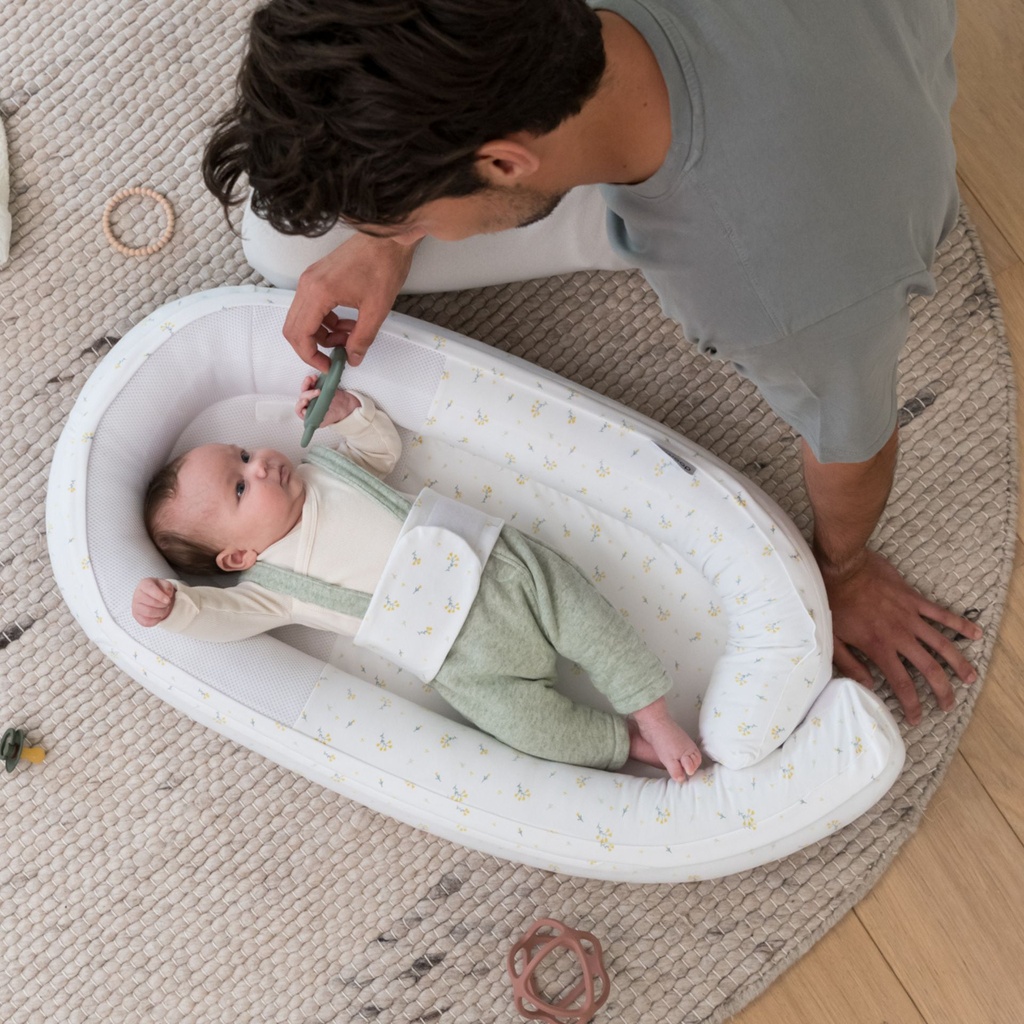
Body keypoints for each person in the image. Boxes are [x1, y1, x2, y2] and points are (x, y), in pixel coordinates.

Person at [200, 0, 983, 726]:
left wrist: (842, 571)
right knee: (290, 239)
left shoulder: (766, 285)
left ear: (506, 163)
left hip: (842, 158)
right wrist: (383, 240)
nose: (402, 234)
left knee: (283, 252)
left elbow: (853, 439)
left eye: (408, 219)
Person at [132, 380, 702, 780]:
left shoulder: (325, 470)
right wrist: (176, 608)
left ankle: (652, 715)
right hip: (464, 662)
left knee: (590, 622)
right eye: (240, 488)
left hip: (498, 568)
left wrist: (350, 414)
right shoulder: (273, 588)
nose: (259, 465)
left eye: (243, 453)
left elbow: (381, 449)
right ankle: (623, 744)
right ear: (237, 558)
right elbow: (222, 619)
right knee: (525, 728)